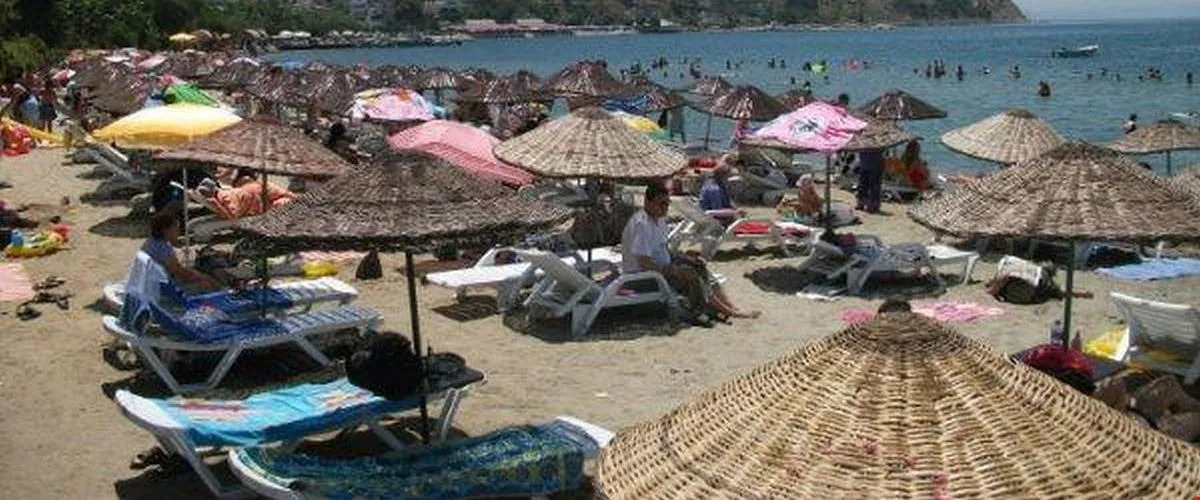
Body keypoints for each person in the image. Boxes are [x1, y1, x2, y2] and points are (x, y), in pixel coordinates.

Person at [621, 183, 760, 323]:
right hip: (644, 277)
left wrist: (685, 258)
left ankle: (731, 307)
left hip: (660, 267)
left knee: (699, 266)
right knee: (691, 275)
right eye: (661, 204)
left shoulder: (658, 220)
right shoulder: (642, 225)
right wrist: (673, 270)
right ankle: (726, 311)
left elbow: (663, 250)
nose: (665, 208)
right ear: (648, 202)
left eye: (667, 204)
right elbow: (644, 262)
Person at [143, 206, 220, 290]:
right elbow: (182, 273)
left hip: (148, 282)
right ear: (166, 230)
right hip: (160, 288)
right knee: (207, 284)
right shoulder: (163, 249)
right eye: (175, 229)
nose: (178, 232)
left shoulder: (151, 242)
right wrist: (205, 278)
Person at [855, 149, 885, 214]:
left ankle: (871, 205)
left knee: (872, 186)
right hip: (867, 164)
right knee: (866, 185)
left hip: (873, 164)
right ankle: (866, 204)